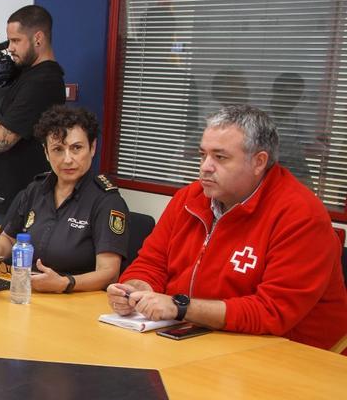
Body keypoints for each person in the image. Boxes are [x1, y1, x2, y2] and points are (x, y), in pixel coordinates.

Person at [107, 105, 347, 350]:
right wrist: (136, 289)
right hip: (205, 338)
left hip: (298, 355)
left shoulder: (301, 215)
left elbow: (272, 312)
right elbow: (152, 262)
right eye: (203, 155)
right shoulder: (188, 198)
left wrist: (180, 307)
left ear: (259, 162)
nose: (205, 167)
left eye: (220, 157)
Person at [0, 106, 129, 293]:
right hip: (28, 292)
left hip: (76, 300)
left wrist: (65, 283)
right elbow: (8, 240)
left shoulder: (106, 201)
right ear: (46, 152)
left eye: (76, 148)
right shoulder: (35, 190)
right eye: (58, 149)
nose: (67, 159)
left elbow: (109, 273)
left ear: (92, 148)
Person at [0, 5, 66, 230]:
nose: (10, 48)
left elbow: (2, 140)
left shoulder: (44, 82)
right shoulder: (22, 71)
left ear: (38, 38)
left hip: (13, 198)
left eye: (16, 41)